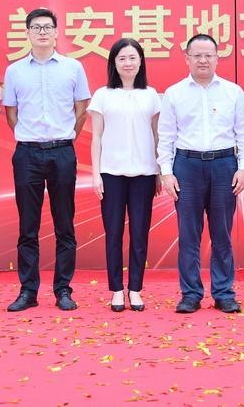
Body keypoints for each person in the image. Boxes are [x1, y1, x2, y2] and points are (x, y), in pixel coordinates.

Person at [2, 8, 91, 312]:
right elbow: (11, 113)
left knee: (65, 223)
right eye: (36, 27)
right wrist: (30, 137)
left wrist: (66, 139)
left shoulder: (73, 68)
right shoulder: (14, 71)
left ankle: (63, 290)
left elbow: (81, 109)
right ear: (27, 33)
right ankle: (28, 291)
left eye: (47, 27)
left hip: (62, 152)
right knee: (28, 226)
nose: (42, 32)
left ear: (56, 33)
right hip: (27, 153)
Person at [157, 34, 244, 314]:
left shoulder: (232, 92)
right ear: (186, 58)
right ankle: (190, 294)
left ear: (217, 58)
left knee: (222, 233)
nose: (203, 60)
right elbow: (166, 137)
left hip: (224, 165)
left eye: (208, 55)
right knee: (188, 234)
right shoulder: (174, 93)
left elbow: (243, 133)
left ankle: (224, 292)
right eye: (197, 55)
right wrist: (166, 173)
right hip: (186, 166)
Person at [88, 38, 162, 312]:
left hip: (144, 173)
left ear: (141, 61)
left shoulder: (151, 95)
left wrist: (158, 171)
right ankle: (117, 290)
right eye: (122, 58)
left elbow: (157, 136)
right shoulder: (103, 95)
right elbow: (96, 137)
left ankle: (136, 289)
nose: (127, 63)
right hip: (111, 173)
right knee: (114, 233)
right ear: (113, 63)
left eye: (132, 58)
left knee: (140, 233)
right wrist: (96, 174)